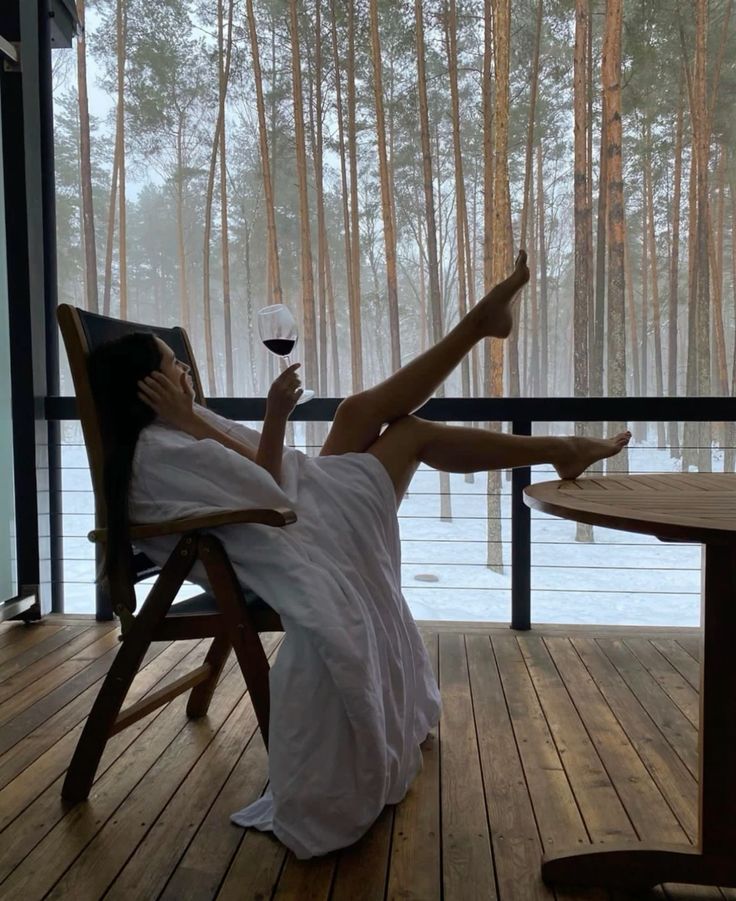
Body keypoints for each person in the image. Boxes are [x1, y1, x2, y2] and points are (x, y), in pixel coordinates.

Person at [87, 250, 630, 859]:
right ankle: (543, 423)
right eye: (173, 363)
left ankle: (490, 339)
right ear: (150, 387)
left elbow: (262, 476)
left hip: (305, 496)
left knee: (359, 412)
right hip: (307, 520)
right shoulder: (163, 449)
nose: (186, 369)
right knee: (410, 432)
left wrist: (199, 419)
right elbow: (265, 490)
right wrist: (266, 416)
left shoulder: (174, 429)